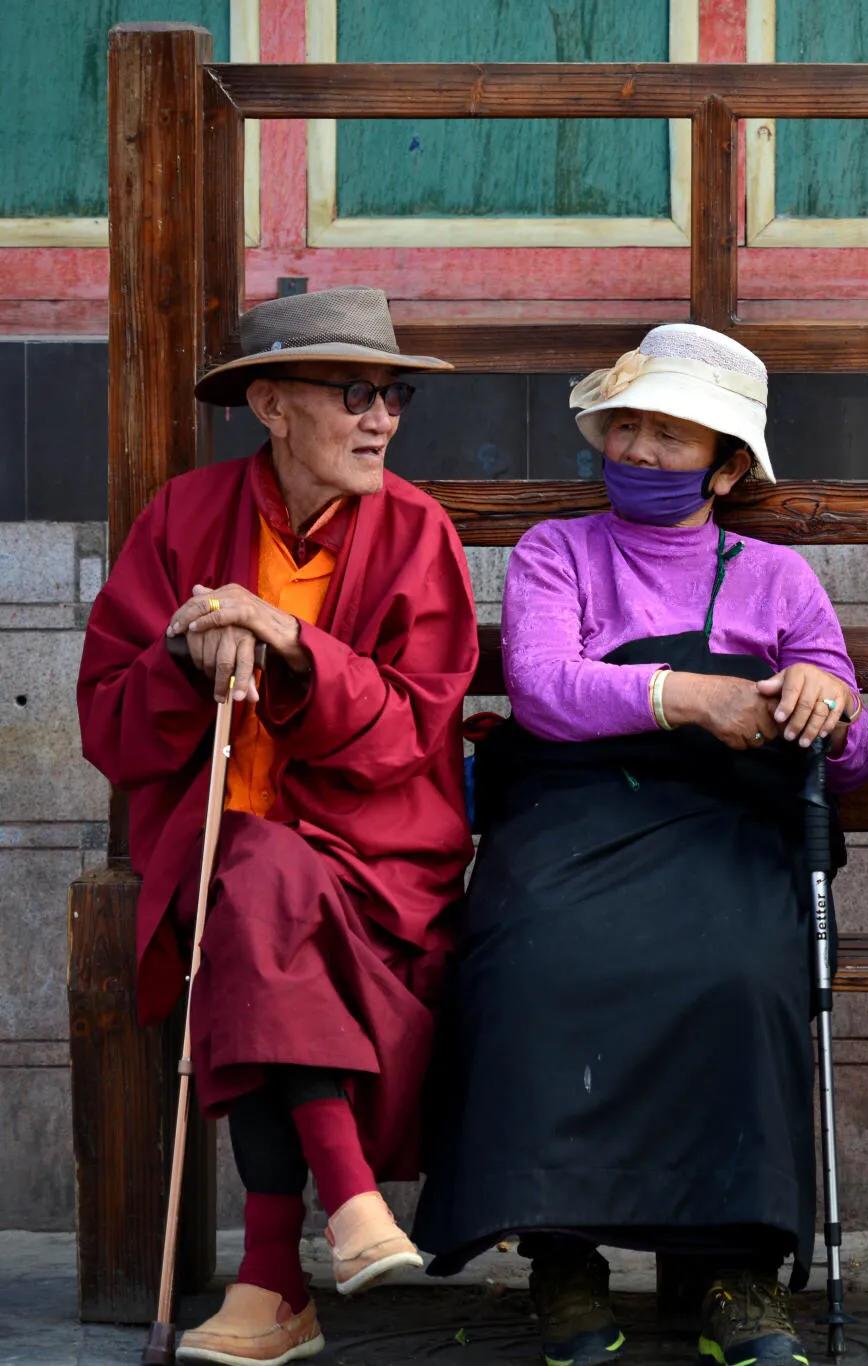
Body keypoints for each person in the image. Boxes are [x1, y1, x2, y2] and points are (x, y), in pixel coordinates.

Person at [411, 324, 868, 1366]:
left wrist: (829, 702)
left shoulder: (778, 581)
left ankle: (735, 1267)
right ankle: (563, 1255)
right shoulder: (555, 552)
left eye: (671, 435)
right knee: (536, 958)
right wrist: (686, 696)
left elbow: (851, 757)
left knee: (739, 972)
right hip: (572, 812)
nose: (637, 450)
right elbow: (542, 687)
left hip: (729, 826)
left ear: (725, 466)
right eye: (625, 425)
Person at [77, 287, 477, 1366]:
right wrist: (178, 653)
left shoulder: (416, 533)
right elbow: (107, 727)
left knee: (257, 893)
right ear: (271, 403)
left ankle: (271, 1272)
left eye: (392, 395)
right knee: (247, 877)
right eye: (353, 392)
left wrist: (293, 645)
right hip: (212, 852)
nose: (381, 419)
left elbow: (410, 732)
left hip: (372, 865)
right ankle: (348, 1205)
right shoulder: (184, 521)